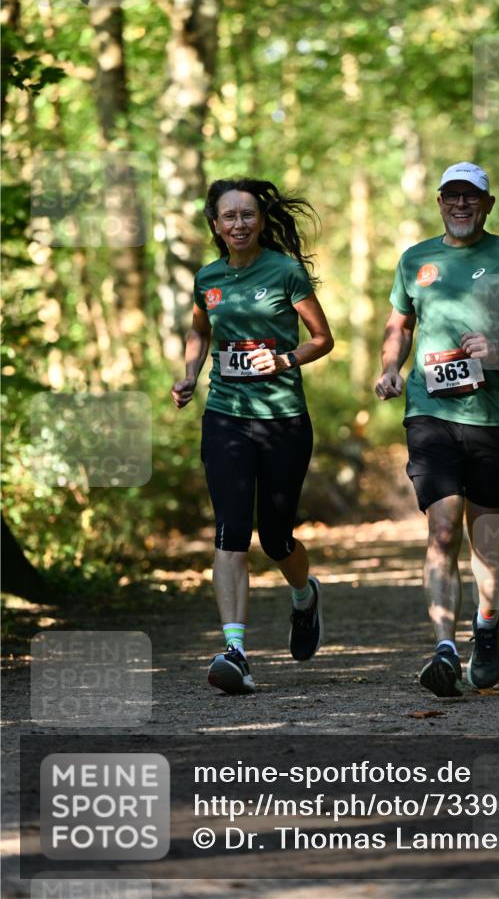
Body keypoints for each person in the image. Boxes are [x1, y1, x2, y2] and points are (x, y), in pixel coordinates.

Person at [375, 162, 499, 698]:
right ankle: (444, 648)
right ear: (438, 201)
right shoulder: (415, 260)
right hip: (429, 412)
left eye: (470, 197)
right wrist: (390, 367)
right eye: (451, 196)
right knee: (443, 530)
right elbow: (398, 325)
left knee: (484, 535)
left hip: (494, 418)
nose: (460, 205)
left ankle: (487, 625)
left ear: (488, 203)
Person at [171, 178, 334, 694]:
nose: (238, 224)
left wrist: (285, 358)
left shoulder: (285, 271)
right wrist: (191, 374)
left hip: (283, 418)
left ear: (260, 220)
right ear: (214, 225)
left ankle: (304, 596)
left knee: (276, 537)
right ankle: (235, 651)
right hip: (225, 415)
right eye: (228, 217)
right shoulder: (208, 278)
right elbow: (201, 330)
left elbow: (323, 339)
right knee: (230, 531)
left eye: (247, 215)